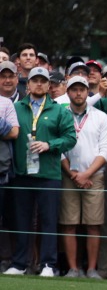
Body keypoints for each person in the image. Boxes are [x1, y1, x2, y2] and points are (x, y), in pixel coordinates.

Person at [7, 67, 76, 277]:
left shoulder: (59, 110)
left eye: (43, 81)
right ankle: (19, 264)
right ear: (27, 84)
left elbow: (70, 138)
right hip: (21, 173)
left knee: (48, 220)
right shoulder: (16, 107)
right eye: (34, 80)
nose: (39, 84)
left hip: (49, 173)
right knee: (21, 220)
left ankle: (48, 264)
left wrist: (50, 144)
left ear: (49, 85)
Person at [59, 75, 107, 279]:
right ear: (68, 92)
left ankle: (91, 269)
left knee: (93, 223)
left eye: (82, 89)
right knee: (69, 223)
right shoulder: (61, 114)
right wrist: (73, 174)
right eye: (74, 89)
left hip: (94, 176)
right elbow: (59, 147)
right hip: (68, 175)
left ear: (87, 91)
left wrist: (87, 174)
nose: (78, 93)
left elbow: (105, 150)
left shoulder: (100, 116)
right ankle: (73, 268)